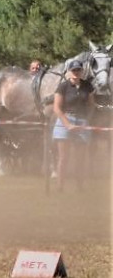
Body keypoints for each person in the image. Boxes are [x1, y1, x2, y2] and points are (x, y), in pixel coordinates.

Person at [52, 59, 95, 191]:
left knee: (80, 158)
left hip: (81, 121)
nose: (76, 72)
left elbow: (91, 105)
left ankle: (80, 188)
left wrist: (86, 120)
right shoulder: (63, 86)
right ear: (69, 72)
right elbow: (56, 108)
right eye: (74, 70)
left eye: (78, 70)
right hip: (65, 119)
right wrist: (67, 124)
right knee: (63, 158)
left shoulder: (88, 86)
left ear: (82, 71)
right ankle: (60, 187)